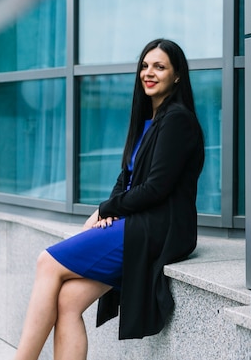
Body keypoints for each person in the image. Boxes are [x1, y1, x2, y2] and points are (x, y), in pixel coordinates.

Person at [14, 39, 205, 360]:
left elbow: (156, 188)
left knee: (47, 261)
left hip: (159, 228)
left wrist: (106, 209)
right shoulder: (150, 120)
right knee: (68, 302)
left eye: (159, 67)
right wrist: (110, 209)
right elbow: (126, 179)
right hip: (137, 222)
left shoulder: (177, 120)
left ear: (177, 76)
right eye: (145, 66)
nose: (149, 72)